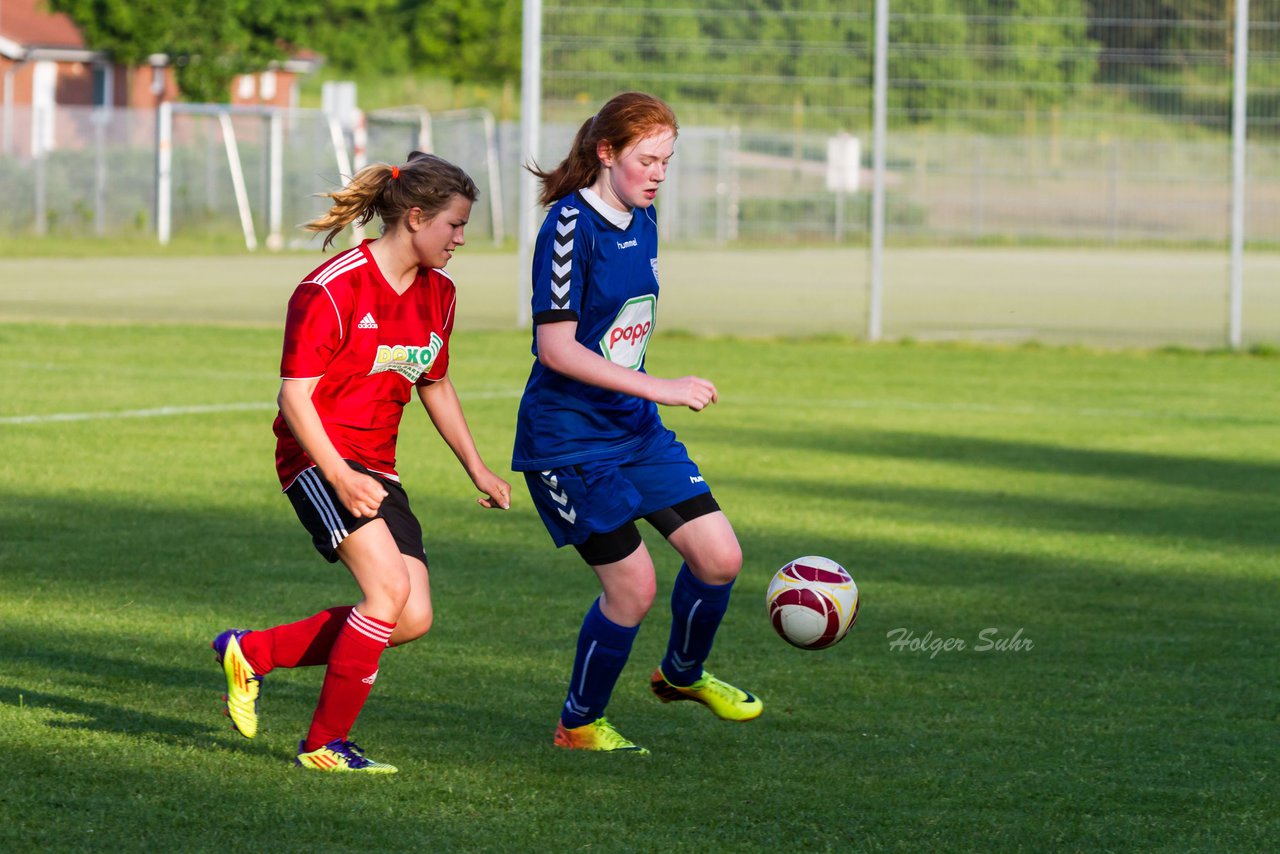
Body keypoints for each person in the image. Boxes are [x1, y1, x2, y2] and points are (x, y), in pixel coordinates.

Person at [212, 151, 511, 774]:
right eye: (454, 226)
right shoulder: (330, 287)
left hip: (377, 464)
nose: (460, 239)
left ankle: (253, 652)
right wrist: (340, 476)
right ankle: (324, 745)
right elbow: (294, 396)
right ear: (416, 218)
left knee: (412, 616)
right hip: (316, 456)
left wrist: (477, 467)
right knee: (387, 592)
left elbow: (434, 381)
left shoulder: (441, 293)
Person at [513, 92, 762, 754]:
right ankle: (578, 724)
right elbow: (557, 348)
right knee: (634, 587)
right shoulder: (569, 227)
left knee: (720, 558)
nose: (657, 174)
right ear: (606, 153)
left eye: (666, 162)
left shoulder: (644, 219)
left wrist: (650, 398)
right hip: (569, 444)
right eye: (645, 160)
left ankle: (680, 675)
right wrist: (663, 387)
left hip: (635, 432)